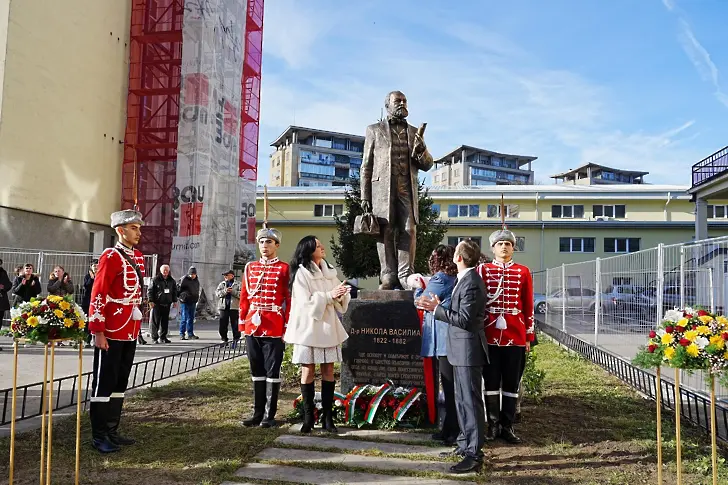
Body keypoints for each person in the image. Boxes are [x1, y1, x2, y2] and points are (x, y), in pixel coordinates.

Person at [417, 239, 487, 474]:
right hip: (458, 349)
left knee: (471, 402)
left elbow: (465, 319)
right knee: (460, 401)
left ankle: (475, 454)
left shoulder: (472, 282)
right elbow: (458, 313)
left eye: (455, 252)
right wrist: (440, 306)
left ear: (459, 258)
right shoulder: (462, 279)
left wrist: (436, 310)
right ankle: (464, 444)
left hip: (467, 350)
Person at [360, 90, 434, 290]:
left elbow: (427, 165)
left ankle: (405, 275)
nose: (402, 104)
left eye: (404, 101)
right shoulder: (374, 130)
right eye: (397, 101)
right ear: (388, 106)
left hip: (406, 187)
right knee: (386, 230)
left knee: (409, 229)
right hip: (382, 189)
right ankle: (388, 275)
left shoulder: (413, 132)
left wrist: (421, 151)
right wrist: (365, 195)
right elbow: (366, 165)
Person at [87, 209, 146, 453]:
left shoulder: (138, 256)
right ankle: (99, 435)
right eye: (134, 228)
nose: (138, 233)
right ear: (120, 230)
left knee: (120, 381)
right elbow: (98, 293)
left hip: (130, 329)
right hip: (111, 328)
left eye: (139, 228)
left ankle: (112, 430)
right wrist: (98, 330)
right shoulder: (110, 256)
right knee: (104, 382)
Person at [284, 236, 351, 434]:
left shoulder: (329, 271)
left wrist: (341, 294)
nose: (322, 247)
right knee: (308, 371)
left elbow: (338, 295)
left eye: (321, 244)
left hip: (328, 328)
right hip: (308, 329)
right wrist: (330, 296)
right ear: (308, 249)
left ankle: (328, 418)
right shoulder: (302, 273)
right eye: (317, 244)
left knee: (329, 371)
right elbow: (305, 303)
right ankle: (308, 418)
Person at [477, 228, 534, 444]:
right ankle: (492, 425)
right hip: (490, 333)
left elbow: (528, 306)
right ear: (493, 248)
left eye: (508, 244)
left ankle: (507, 426)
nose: (504, 247)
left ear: (513, 248)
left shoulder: (523, 272)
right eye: (500, 244)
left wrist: (528, 338)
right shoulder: (483, 270)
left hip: (515, 333)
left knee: (511, 382)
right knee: (490, 381)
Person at [239, 228, 291, 428]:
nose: (265, 246)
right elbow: (244, 297)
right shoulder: (250, 268)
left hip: (274, 324)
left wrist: (287, 327)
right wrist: (243, 324)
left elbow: (289, 299)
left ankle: (270, 415)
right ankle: (257, 413)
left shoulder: (284, 269)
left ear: (276, 245)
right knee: (256, 370)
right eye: (262, 242)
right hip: (253, 325)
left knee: (272, 371)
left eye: (269, 242)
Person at [414, 245, 459, 446]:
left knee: (449, 387)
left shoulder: (440, 278)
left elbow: (421, 301)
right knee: (450, 387)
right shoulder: (455, 277)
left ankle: (451, 431)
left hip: (443, 338)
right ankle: (449, 428)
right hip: (450, 336)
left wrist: (417, 287)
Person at [147, 264, 177, 344]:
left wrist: (174, 301)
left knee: (165, 322)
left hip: (167, 303)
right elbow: (150, 291)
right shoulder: (155, 280)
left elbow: (174, 291)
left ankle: (163, 337)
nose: (166, 271)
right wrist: (151, 301)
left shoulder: (171, 280)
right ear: (161, 271)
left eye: (167, 270)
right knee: (155, 321)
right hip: (157, 303)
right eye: (164, 270)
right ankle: (154, 338)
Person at [216, 270, 241, 344]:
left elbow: (241, 295)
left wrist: (233, 291)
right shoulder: (222, 284)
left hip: (234, 307)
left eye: (227, 275)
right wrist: (225, 291)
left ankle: (236, 339)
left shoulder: (238, 284)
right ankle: (224, 339)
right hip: (223, 307)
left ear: (232, 276)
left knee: (235, 324)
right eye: (224, 275)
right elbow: (217, 294)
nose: (225, 277)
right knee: (222, 325)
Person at [177, 266, 200, 340]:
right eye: (191, 274)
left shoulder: (196, 280)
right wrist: (181, 297)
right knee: (184, 318)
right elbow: (178, 289)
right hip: (185, 301)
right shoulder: (184, 279)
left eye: (194, 274)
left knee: (191, 318)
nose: (193, 275)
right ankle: (182, 334)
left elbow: (197, 289)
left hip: (193, 301)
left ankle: (190, 334)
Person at [81, 260, 98, 345]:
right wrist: (91, 279)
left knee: (97, 320)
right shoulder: (88, 276)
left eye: (97, 266)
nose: (95, 268)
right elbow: (86, 286)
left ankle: (96, 339)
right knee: (87, 320)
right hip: (88, 301)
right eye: (94, 266)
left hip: (98, 301)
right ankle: (87, 339)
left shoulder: (101, 275)